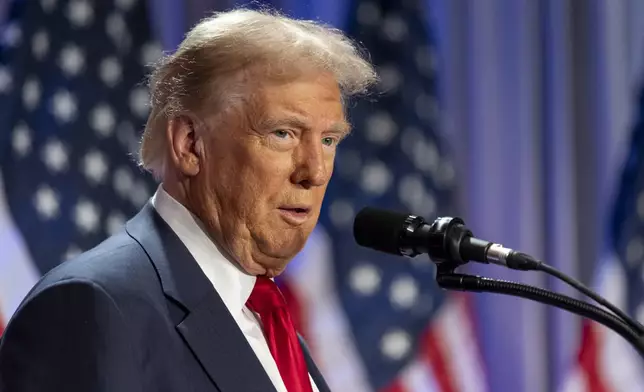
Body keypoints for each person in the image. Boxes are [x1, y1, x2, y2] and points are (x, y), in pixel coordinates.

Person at [0, 8, 377, 392]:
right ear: (189, 145)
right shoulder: (93, 308)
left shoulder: (270, 323)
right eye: (283, 133)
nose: (314, 171)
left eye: (329, 140)